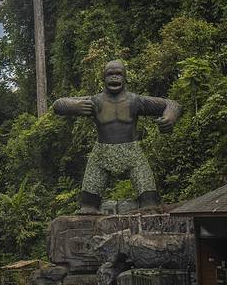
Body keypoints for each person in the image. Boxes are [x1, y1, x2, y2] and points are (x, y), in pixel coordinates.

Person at [53, 60, 181, 213]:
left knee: (149, 204)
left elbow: (171, 104)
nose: (114, 77)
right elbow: (58, 104)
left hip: (132, 152)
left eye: (118, 74)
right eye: (110, 74)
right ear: (104, 78)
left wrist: (169, 117)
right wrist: (73, 106)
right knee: (88, 206)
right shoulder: (95, 101)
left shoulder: (135, 101)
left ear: (125, 78)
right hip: (101, 154)